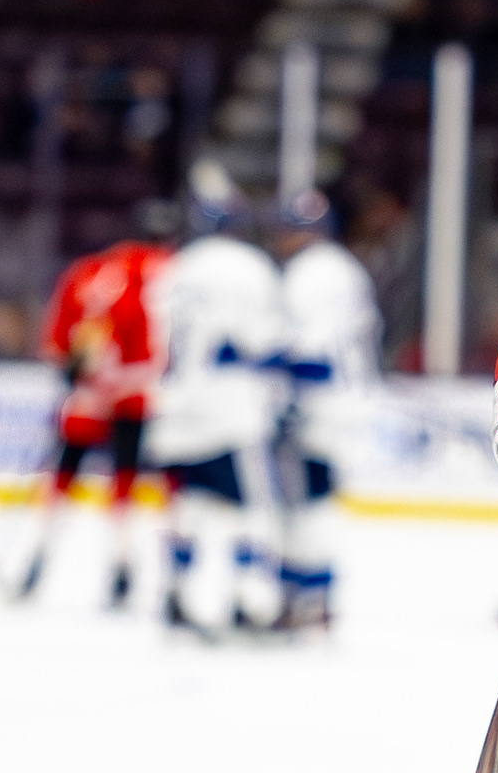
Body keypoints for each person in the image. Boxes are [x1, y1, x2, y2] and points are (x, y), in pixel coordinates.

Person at [145, 166, 286, 637]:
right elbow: (262, 340)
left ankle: (176, 592)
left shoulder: (178, 268)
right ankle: (247, 600)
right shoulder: (251, 268)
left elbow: (160, 338)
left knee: (189, 503)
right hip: (230, 409)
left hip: (177, 406)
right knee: (250, 509)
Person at [6, 216, 173, 605]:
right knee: (123, 483)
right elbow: (156, 352)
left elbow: (57, 342)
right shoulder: (158, 274)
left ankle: (36, 563)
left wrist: (79, 374)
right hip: (130, 397)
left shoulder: (86, 272)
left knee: (63, 479)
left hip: (88, 398)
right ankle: (121, 570)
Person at [267, 188, 381, 630]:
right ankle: (315, 595)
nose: (282, 238)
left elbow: (309, 352)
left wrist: (259, 363)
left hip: (319, 402)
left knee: (306, 501)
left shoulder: (310, 273)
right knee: (317, 496)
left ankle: (307, 597)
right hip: (346, 399)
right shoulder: (345, 268)